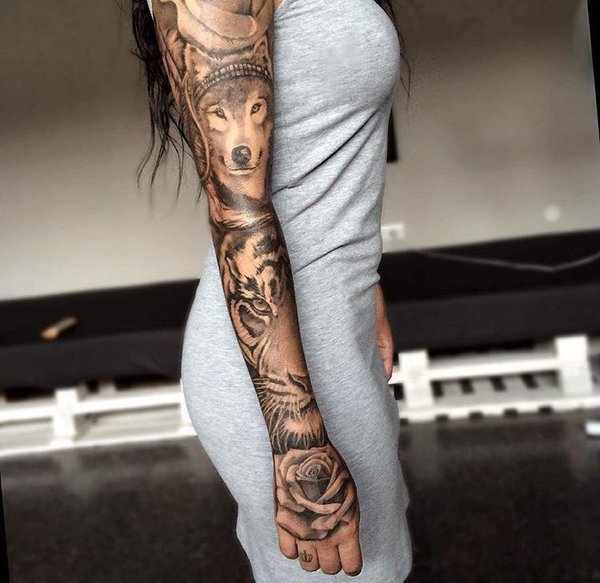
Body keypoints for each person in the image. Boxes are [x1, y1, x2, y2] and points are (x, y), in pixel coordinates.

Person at [131, 0, 413, 580]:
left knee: (386, 558)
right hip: (281, 375)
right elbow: (238, 212)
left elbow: (328, 158)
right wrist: (299, 447)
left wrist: (365, 284)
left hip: (339, 327)